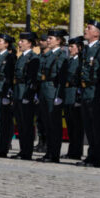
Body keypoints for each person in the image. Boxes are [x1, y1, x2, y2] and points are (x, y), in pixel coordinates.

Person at [76, 19, 100, 168]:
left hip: (96, 92)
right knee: (89, 126)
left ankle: (96, 157)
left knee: (96, 127)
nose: (85, 29)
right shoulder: (86, 49)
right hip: (86, 91)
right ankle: (91, 155)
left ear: (96, 34)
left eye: (89, 28)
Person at [37, 29, 68, 163]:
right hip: (45, 90)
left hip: (53, 90)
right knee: (46, 124)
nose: (48, 40)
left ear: (59, 41)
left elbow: (62, 77)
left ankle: (54, 154)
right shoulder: (48, 55)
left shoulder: (61, 55)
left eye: (51, 38)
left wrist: (59, 95)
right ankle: (49, 151)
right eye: (48, 38)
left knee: (54, 124)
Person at [11, 32, 39, 161]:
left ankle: (28, 151)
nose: (19, 43)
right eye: (20, 41)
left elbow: (32, 79)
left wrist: (29, 94)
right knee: (21, 124)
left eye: (22, 41)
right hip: (18, 92)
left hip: (25, 93)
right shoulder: (21, 57)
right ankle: (23, 150)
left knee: (27, 124)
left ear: (29, 43)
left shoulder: (33, 58)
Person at [61, 36, 84, 160]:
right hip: (68, 93)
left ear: (79, 48)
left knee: (77, 126)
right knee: (70, 126)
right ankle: (72, 150)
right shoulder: (70, 60)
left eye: (72, 47)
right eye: (69, 46)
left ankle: (76, 151)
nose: (70, 49)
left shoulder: (80, 61)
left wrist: (78, 97)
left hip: (75, 93)